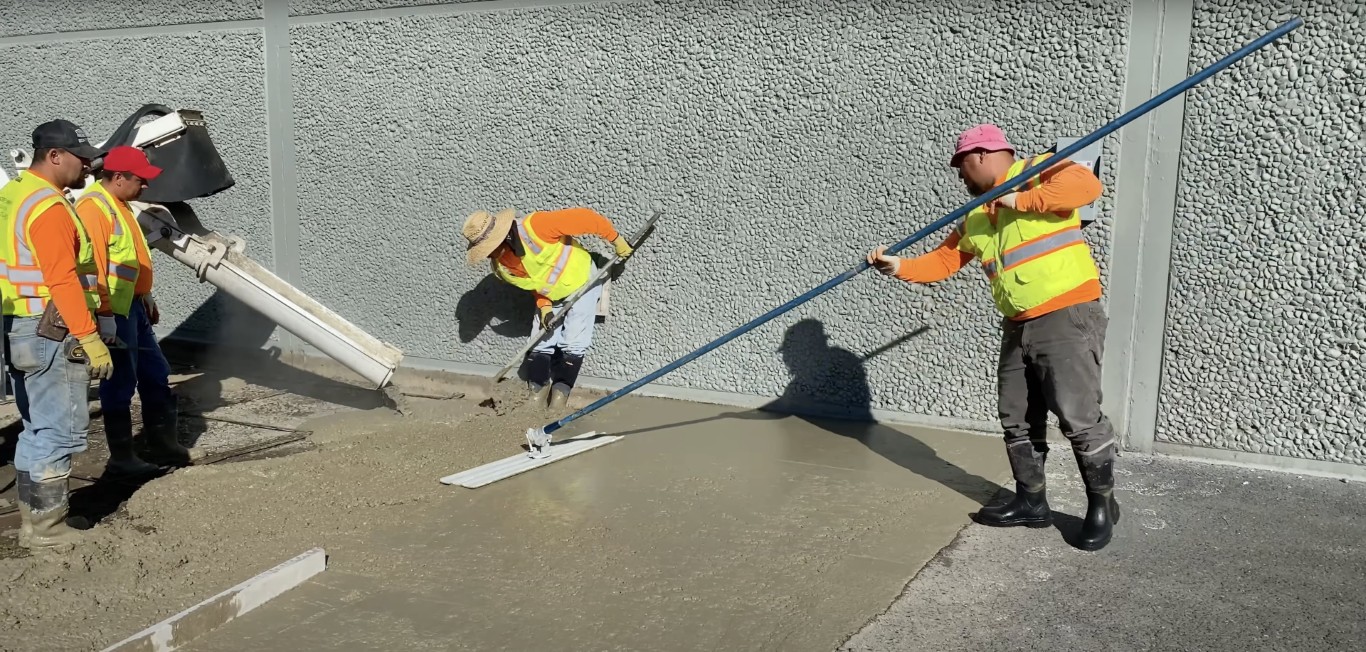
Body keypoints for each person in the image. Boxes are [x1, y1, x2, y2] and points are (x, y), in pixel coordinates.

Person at [866, 124, 1120, 551]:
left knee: (1078, 416)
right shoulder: (978, 214)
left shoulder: (1038, 170)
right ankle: (1031, 502)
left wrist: (1018, 197)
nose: (960, 176)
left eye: (961, 166)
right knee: (1016, 415)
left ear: (981, 155)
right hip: (1018, 322)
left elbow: (1085, 185)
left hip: (1066, 314)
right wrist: (900, 267)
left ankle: (1102, 505)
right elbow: (944, 261)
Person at [0, 119, 115, 551]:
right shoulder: (47, 207)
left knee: (35, 428)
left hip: (19, 324)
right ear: (54, 156)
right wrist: (89, 337)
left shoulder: (12, 195)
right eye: (79, 157)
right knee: (59, 431)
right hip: (52, 327)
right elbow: (62, 279)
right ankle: (48, 531)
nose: (87, 165)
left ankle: (35, 524)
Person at [75, 145, 191, 476]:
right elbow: (93, 268)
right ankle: (123, 458)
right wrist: (106, 317)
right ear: (120, 177)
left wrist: (146, 293)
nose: (146, 186)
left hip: (133, 308)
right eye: (141, 180)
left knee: (156, 371)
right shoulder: (95, 208)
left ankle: (162, 442)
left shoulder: (119, 204)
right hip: (115, 314)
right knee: (120, 382)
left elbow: (128, 258)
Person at [461, 207, 633, 409]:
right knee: (540, 341)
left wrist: (615, 239)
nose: (489, 255)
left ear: (505, 236)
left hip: (581, 279)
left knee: (575, 340)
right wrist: (544, 307)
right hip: (551, 295)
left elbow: (587, 218)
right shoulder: (502, 267)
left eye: (490, 248)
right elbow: (537, 284)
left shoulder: (537, 226)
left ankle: (560, 397)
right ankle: (537, 392)